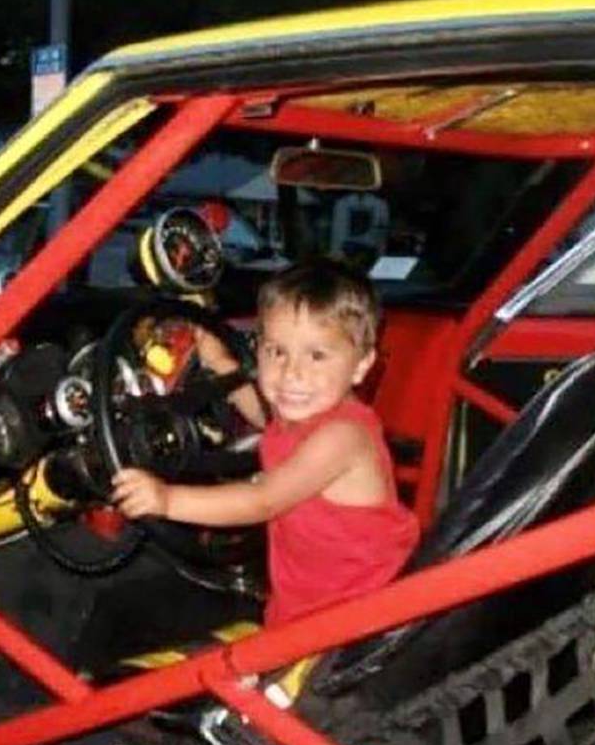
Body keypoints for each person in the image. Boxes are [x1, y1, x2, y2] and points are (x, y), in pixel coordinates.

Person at [112, 262, 420, 627]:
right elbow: (266, 419)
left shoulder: (344, 438)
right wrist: (223, 366)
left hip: (348, 627)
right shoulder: (305, 416)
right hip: (306, 610)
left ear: (361, 366)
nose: (292, 372)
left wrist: (166, 499)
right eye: (276, 352)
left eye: (317, 355)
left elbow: (263, 500)